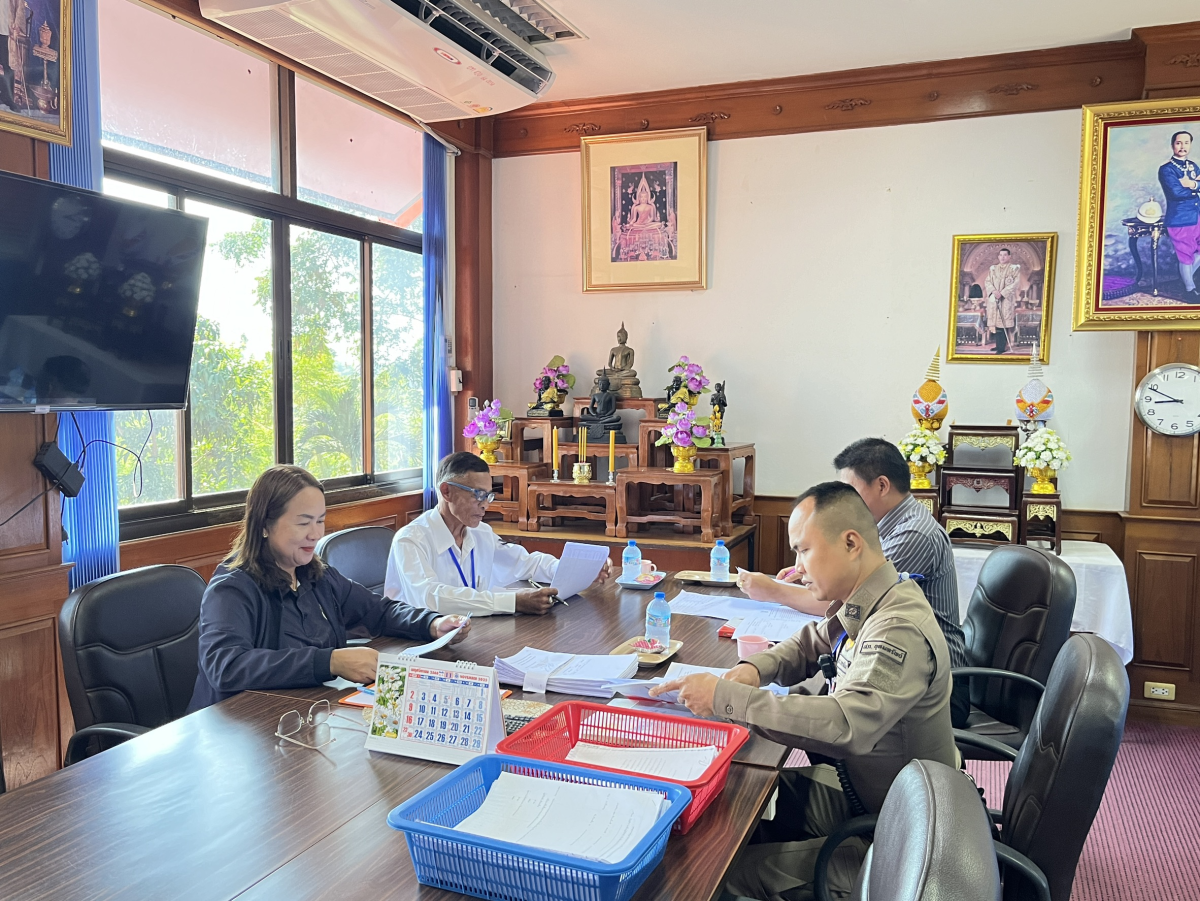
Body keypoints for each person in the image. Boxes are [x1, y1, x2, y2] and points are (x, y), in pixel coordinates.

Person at [654, 482, 955, 901]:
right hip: (871, 795)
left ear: (851, 543)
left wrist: (725, 699)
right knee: (732, 805)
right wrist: (752, 671)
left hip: (900, 835)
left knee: (714, 873)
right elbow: (812, 641)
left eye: (804, 550)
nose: (796, 566)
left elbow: (845, 724)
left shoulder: (897, 626)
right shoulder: (872, 596)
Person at [187, 465, 469, 712]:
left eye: (320, 520)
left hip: (304, 715)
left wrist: (432, 623)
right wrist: (329, 661)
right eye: (303, 523)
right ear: (264, 525)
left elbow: (377, 611)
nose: (316, 534)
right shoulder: (233, 588)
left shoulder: (316, 575)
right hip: (238, 732)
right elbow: (226, 666)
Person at [738, 437, 970, 728]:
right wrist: (753, 669)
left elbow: (849, 724)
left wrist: (773, 590)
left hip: (938, 685)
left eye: (851, 490)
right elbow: (825, 633)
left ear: (882, 486)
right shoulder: (885, 527)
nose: (845, 501)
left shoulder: (913, 535)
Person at [385, 451, 612, 616]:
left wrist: (580, 569)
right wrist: (512, 602)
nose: (485, 505)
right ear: (446, 491)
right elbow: (430, 598)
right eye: (478, 495)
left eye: (489, 496)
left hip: (469, 633)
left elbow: (527, 563)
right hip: (416, 645)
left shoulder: (481, 533)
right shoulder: (411, 540)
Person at [1158, 130, 1200, 303]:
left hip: (1197, 215)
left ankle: (1185, 275)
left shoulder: (1193, 166)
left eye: (1186, 143)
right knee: (1185, 253)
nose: (1182, 147)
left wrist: (1191, 184)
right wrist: (1196, 187)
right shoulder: (1166, 169)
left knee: (1194, 254)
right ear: (1172, 145)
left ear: (1190, 145)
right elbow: (1176, 192)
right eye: (1178, 143)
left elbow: (1191, 187)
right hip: (1180, 218)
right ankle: (1190, 290)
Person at [985, 247, 1020, 354]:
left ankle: (1002, 347)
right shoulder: (993, 269)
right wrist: (994, 291)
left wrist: (1003, 293)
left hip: (1006, 300)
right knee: (995, 323)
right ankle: (998, 345)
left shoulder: (1014, 269)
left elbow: (1015, 283)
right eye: (1000, 255)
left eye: (1005, 255)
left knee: (1003, 323)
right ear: (998, 256)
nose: (1002, 257)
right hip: (994, 298)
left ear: (1009, 256)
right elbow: (987, 281)